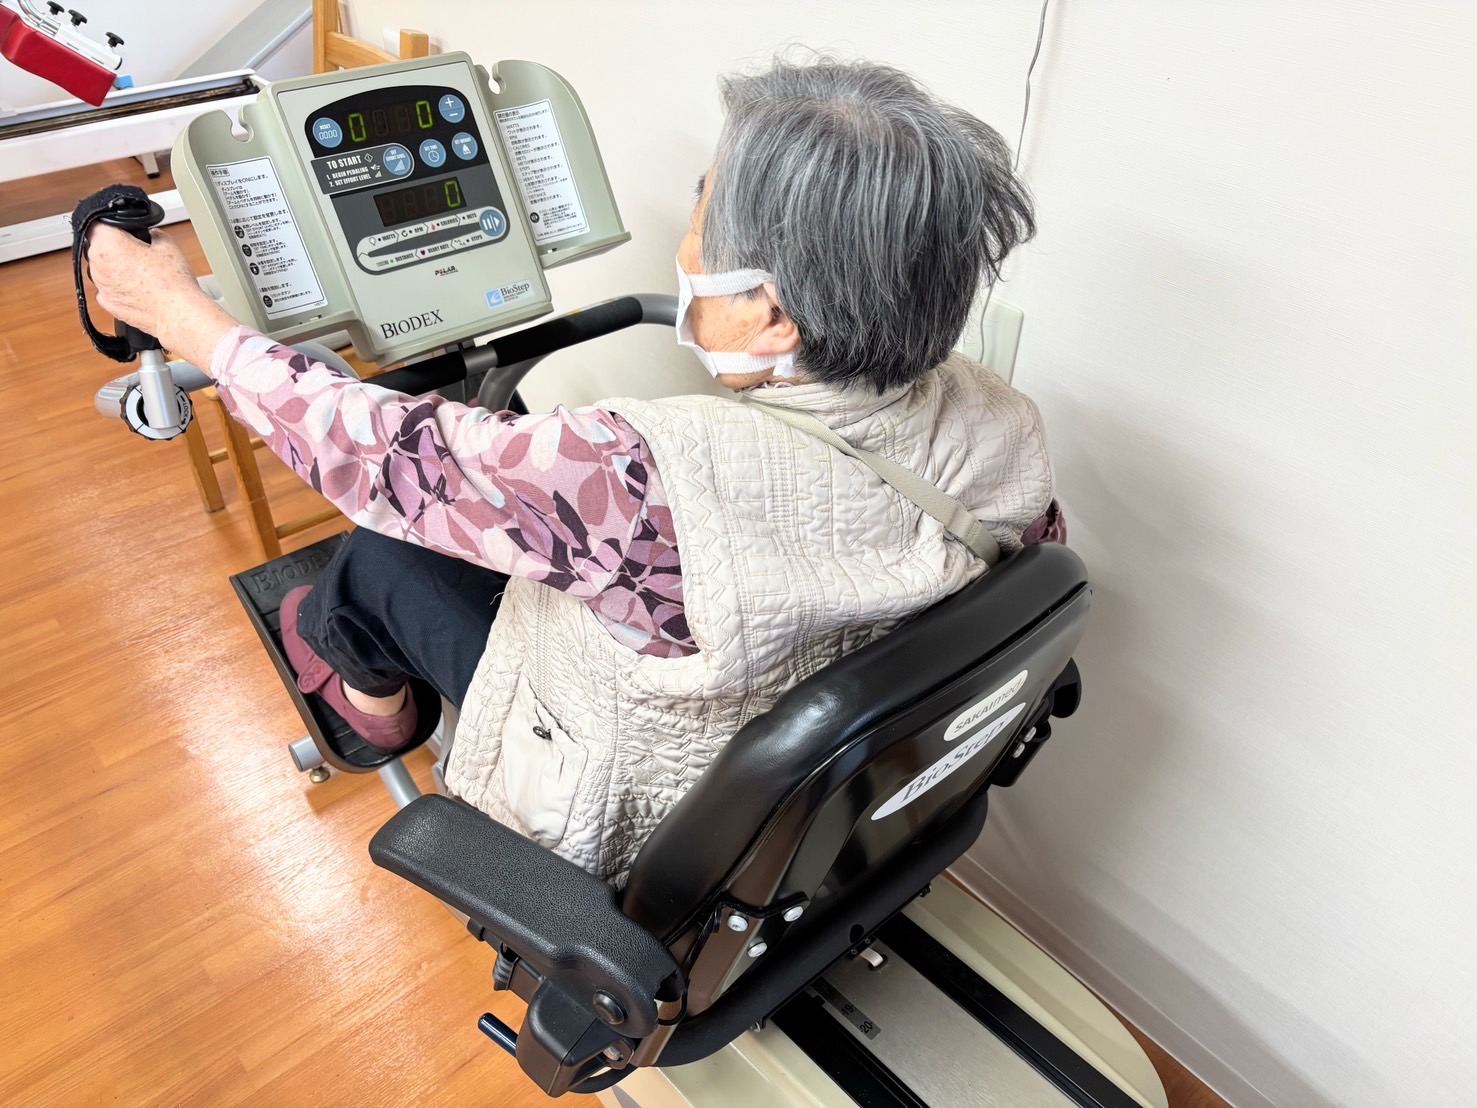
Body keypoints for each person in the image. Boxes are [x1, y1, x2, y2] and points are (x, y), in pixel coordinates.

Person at [86, 55, 1064, 884]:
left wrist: (176, 311)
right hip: (804, 788)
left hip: (634, 810)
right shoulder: (1007, 422)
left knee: (379, 557)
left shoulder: (637, 478)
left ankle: (372, 710)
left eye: (703, 214)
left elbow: (369, 454)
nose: (686, 246)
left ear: (771, 315)